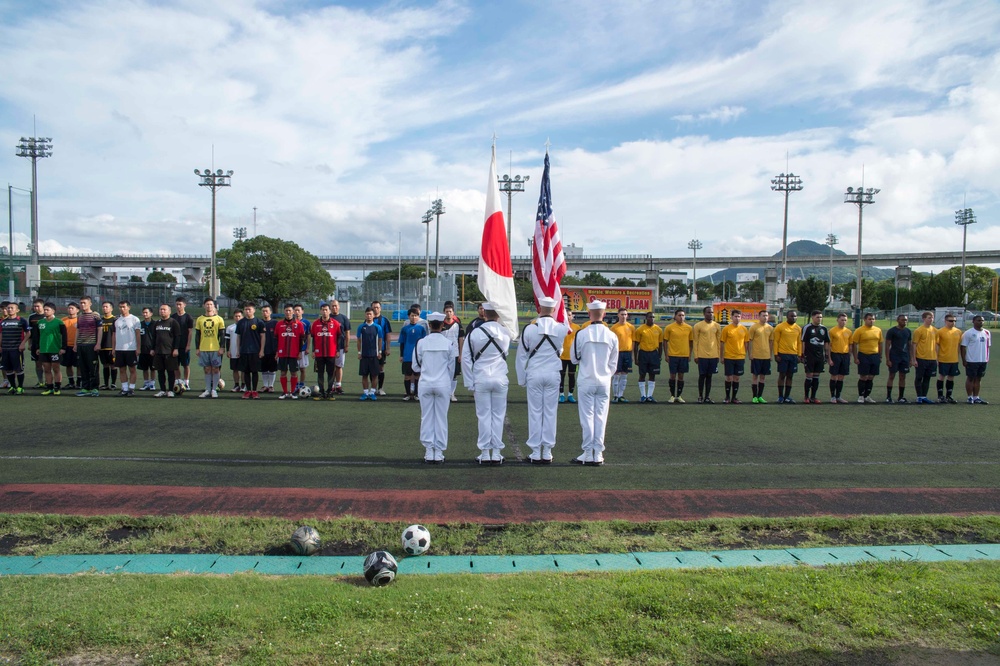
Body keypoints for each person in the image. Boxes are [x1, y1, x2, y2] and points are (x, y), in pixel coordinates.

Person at [516, 296, 569, 463]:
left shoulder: (530, 329)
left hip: (535, 373)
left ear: (539, 309)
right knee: (550, 412)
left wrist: (521, 378)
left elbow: (522, 356)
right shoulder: (561, 328)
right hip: (553, 373)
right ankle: (547, 450)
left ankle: (535, 450)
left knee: (535, 412)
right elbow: (560, 350)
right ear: (553, 310)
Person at [463, 302, 512, 464]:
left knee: (483, 416)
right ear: (498, 314)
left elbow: (466, 359)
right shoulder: (506, 332)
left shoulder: (475, 333)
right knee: (498, 416)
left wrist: (470, 382)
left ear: (485, 313)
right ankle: (496, 453)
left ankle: (484, 453)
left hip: (481, 378)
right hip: (499, 378)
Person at [570, 300, 618, 465]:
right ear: (604, 314)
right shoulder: (612, 335)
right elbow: (613, 363)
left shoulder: (581, 333)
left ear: (589, 314)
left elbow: (574, 359)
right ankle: (597, 453)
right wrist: (605, 375)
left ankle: (587, 452)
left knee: (587, 417)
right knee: (601, 417)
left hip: (586, 380)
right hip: (604, 381)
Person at [412, 312, 456, 463]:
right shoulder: (449, 343)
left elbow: (415, 366)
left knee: (427, 417)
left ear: (429, 325)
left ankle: (428, 450)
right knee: (441, 417)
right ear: (442, 325)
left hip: (425, 383)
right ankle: (439, 452)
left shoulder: (421, 343)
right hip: (443, 383)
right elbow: (452, 368)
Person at [194, 298, 226, 399]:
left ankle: (214, 390)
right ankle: (208, 389)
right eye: (207, 304)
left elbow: (222, 334)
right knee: (207, 369)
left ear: (214, 306)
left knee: (215, 369)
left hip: (215, 348)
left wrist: (222, 347)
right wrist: (197, 348)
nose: (209, 306)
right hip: (204, 348)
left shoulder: (219, 319)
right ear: (204, 306)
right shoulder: (200, 319)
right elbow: (197, 335)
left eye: (211, 304)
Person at [310, 303, 342, 400]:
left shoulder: (335, 323)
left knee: (330, 373)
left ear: (329, 311)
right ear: (320, 311)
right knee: (320, 373)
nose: (324, 311)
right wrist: (313, 351)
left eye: (326, 310)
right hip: (319, 353)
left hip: (331, 353)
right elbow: (313, 338)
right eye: (323, 310)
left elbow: (339, 337)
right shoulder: (315, 324)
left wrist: (337, 350)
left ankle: (329, 392)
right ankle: (321, 392)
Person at [275, 304, 307, 399]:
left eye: (290, 310)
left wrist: (300, 352)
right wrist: (277, 352)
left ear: (293, 312)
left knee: (294, 373)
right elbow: (276, 339)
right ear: (284, 312)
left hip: (294, 353)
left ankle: (292, 392)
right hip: (282, 353)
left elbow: (302, 340)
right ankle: (284, 392)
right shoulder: (279, 324)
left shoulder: (299, 324)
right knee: (283, 373)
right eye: (286, 310)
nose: (288, 312)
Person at [850, 312, 883, 403]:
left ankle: (867, 396)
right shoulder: (859, 330)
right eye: (869, 319)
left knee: (871, 377)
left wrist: (880, 356)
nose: (871, 321)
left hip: (875, 355)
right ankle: (861, 396)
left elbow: (880, 343)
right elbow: (854, 344)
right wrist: (856, 357)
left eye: (873, 319)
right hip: (864, 355)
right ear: (865, 320)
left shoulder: (878, 330)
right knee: (863, 376)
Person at [110, 300, 141, 396]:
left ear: (129, 307)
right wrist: (113, 348)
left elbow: (138, 335)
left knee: (132, 369)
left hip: (131, 349)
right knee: (122, 369)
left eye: (124, 307)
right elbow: (114, 335)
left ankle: (131, 389)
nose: (122, 309)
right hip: (119, 349)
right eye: (120, 307)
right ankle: (124, 388)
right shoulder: (116, 320)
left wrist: (138, 348)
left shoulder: (135, 319)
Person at [662, 309, 694, 403]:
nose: (681, 317)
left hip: (684, 355)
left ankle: (679, 396)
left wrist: (689, 354)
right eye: (679, 315)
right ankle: (672, 395)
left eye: (683, 315)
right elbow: (665, 341)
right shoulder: (669, 327)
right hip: (673, 355)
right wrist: (666, 354)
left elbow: (691, 342)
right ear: (675, 316)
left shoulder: (689, 328)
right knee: (672, 376)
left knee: (681, 376)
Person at [800, 310, 831, 404]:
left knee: (816, 376)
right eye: (818, 317)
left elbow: (826, 342)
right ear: (813, 317)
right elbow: (803, 342)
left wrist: (826, 355)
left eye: (821, 317)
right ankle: (806, 397)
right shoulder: (807, 328)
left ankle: (813, 397)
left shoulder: (824, 329)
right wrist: (802, 354)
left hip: (819, 356)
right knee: (809, 375)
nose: (819, 319)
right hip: (809, 356)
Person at [74, 296, 103, 397]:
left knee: (93, 368)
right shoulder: (80, 316)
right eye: (81, 303)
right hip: (81, 345)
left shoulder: (95, 315)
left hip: (91, 345)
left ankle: (94, 388)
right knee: (83, 367)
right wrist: (75, 344)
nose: (82, 305)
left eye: (84, 303)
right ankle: (85, 388)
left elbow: (100, 330)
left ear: (90, 303)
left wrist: (98, 343)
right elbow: (78, 330)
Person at [235, 302, 265, 399]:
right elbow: (238, 337)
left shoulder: (259, 322)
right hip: (244, 351)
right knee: (246, 371)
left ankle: (255, 391)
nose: (247, 311)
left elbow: (263, 337)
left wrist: (261, 350)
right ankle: (248, 390)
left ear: (254, 310)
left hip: (255, 351)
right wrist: (238, 350)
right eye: (246, 309)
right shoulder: (240, 322)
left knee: (255, 371)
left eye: (249, 309)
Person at [36, 302, 66, 396]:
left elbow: (64, 336)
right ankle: (49, 387)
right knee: (46, 369)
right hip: (44, 350)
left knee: (56, 369)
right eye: (44, 309)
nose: (45, 311)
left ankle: (57, 387)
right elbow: (37, 336)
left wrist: (63, 348)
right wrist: (37, 347)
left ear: (53, 311)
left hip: (55, 349)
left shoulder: (59, 322)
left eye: (47, 310)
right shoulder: (40, 322)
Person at [151, 303, 181, 397]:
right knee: (160, 372)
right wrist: (152, 349)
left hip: (170, 352)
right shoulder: (157, 323)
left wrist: (176, 349)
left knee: (170, 372)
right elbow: (154, 337)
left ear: (169, 311)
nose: (162, 311)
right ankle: (162, 390)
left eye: (164, 309)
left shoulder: (173, 322)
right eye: (161, 309)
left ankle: (171, 390)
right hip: (159, 352)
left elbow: (177, 337)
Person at [692, 306, 721, 403]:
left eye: (712, 312)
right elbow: (695, 341)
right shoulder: (698, 326)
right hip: (702, 355)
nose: (711, 314)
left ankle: (707, 397)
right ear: (704, 314)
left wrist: (718, 355)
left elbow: (718, 341)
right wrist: (696, 355)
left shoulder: (717, 326)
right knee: (702, 376)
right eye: (708, 312)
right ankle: (700, 396)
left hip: (713, 355)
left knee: (710, 376)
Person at [397, 307, 427, 401]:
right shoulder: (405, 329)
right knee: (407, 375)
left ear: (418, 317)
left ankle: (417, 394)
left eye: (415, 316)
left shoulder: (421, 329)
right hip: (407, 356)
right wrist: (401, 355)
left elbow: (424, 343)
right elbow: (402, 343)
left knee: (418, 375)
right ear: (408, 316)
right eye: (412, 316)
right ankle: (408, 394)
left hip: (418, 356)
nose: (414, 317)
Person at [633, 312, 663, 404]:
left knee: (652, 375)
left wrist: (659, 356)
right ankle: (643, 396)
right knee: (642, 375)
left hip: (654, 354)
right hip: (643, 354)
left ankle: (649, 396)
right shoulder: (640, 329)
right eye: (650, 317)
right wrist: (636, 358)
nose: (652, 319)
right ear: (646, 318)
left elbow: (660, 344)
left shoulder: (658, 329)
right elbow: (636, 345)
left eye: (653, 317)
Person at [719, 309, 747, 404]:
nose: (737, 318)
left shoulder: (744, 329)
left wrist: (744, 354)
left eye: (739, 316)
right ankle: (727, 397)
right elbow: (722, 343)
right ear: (731, 317)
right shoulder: (726, 329)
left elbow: (746, 343)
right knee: (729, 378)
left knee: (737, 378)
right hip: (729, 357)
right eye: (735, 316)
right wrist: (721, 356)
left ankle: (734, 397)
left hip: (740, 357)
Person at [772, 310, 801, 404]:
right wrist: (776, 354)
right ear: (787, 317)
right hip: (783, 354)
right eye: (792, 316)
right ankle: (780, 397)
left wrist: (799, 355)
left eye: (795, 316)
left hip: (793, 355)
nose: (794, 318)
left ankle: (787, 396)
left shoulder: (798, 328)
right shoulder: (780, 327)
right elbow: (775, 341)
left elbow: (799, 343)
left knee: (790, 376)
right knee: (782, 375)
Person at [961, 315, 990, 404]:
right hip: (972, 360)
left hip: (983, 360)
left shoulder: (987, 332)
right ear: (973, 321)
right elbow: (963, 347)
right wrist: (964, 360)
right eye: (978, 320)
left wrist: (987, 358)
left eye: (982, 320)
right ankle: (969, 397)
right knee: (970, 378)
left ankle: (976, 397)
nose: (981, 322)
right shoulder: (968, 333)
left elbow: (988, 346)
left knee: (978, 379)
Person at [1, 301, 29, 394]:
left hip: (16, 349)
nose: (9, 309)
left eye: (11, 308)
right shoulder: (3, 321)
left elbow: (28, 333)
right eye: (8, 308)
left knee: (18, 369)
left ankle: (20, 387)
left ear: (17, 310)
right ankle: (12, 387)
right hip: (5, 349)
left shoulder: (21, 320)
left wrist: (23, 343)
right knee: (8, 369)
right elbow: (1, 334)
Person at [910, 311, 938, 405]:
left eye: (932, 317)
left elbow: (936, 345)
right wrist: (914, 359)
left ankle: (924, 396)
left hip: (932, 358)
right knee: (919, 377)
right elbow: (914, 345)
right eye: (929, 317)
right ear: (924, 319)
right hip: (921, 358)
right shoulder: (919, 330)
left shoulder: (935, 330)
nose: (931, 319)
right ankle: (919, 396)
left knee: (927, 378)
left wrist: (937, 358)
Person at [356, 307, 383, 401]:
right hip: (364, 355)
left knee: (375, 375)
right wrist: (359, 352)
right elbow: (359, 341)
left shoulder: (377, 327)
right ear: (365, 315)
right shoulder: (361, 327)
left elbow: (380, 340)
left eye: (370, 314)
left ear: (373, 315)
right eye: (367, 314)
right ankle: (365, 393)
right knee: (364, 375)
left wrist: (379, 352)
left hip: (374, 355)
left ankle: (372, 392)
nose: (369, 316)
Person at [935, 313, 963, 404]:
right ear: (945, 321)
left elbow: (959, 346)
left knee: (951, 377)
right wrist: (937, 358)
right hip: (943, 358)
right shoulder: (940, 331)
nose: (953, 322)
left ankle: (949, 396)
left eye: (955, 321)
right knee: (942, 376)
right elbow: (937, 345)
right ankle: (940, 396)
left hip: (954, 359)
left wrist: (958, 357)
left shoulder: (958, 331)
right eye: (951, 321)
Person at [884, 314, 912, 403]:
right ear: (898, 320)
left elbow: (909, 345)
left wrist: (911, 358)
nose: (904, 321)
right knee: (892, 375)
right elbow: (887, 345)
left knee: (903, 376)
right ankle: (888, 397)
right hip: (894, 356)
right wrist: (888, 359)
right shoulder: (892, 331)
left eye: (906, 320)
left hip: (904, 357)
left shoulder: (908, 331)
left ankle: (901, 397)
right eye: (902, 320)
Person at [747, 309, 773, 404]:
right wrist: (750, 353)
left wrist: (770, 354)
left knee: (763, 377)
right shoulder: (754, 327)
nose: (765, 317)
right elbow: (750, 341)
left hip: (766, 356)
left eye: (766, 316)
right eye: (763, 315)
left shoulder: (770, 328)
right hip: (756, 356)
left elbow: (771, 342)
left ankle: (760, 396)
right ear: (759, 316)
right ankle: (754, 397)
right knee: (755, 376)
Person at [609, 308, 634, 403]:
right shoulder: (614, 328)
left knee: (624, 375)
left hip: (627, 353)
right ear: (618, 315)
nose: (624, 316)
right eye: (622, 314)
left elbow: (633, 342)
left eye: (625, 314)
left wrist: (632, 355)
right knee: (616, 375)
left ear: (627, 316)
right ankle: (615, 396)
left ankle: (621, 395)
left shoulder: (631, 327)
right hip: (617, 353)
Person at [441, 301, 464, 402]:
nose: (448, 313)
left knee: (454, 375)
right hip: (443, 353)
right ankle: (443, 393)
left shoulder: (457, 324)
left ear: (453, 312)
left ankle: (451, 393)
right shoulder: (441, 324)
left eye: (450, 311)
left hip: (455, 353)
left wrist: (461, 353)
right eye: (447, 311)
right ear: (444, 312)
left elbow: (460, 339)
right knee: (443, 373)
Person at [828, 313, 852, 404]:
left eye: (845, 320)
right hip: (835, 354)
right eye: (842, 320)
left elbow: (850, 345)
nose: (843, 322)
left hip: (845, 355)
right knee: (834, 375)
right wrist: (829, 358)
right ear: (837, 320)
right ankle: (832, 396)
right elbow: (828, 346)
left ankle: (838, 396)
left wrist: (849, 357)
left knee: (842, 376)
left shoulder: (849, 332)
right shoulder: (832, 331)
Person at [558, 310, 581, 404]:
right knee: (561, 376)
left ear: (572, 316)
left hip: (572, 357)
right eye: (566, 315)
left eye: (570, 315)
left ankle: (570, 394)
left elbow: (579, 342)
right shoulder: (559, 327)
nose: (568, 317)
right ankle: (561, 395)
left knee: (572, 375)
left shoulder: (577, 327)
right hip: (561, 356)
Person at [172, 297, 195, 390]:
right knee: (175, 365)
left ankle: (186, 382)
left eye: (180, 304)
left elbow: (190, 332)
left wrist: (188, 345)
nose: (178, 306)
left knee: (185, 365)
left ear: (184, 305)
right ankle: (178, 381)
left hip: (184, 345)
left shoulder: (188, 317)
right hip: (175, 346)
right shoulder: (173, 317)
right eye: (177, 304)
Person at [371, 300, 392, 396]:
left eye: (377, 307)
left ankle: (380, 388)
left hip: (381, 348)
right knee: (371, 368)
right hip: (370, 349)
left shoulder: (384, 320)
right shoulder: (368, 319)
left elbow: (387, 334)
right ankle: (373, 388)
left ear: (380, 308)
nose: (375, 309)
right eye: (374, 307)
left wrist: (388, 348)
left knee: (381, 368)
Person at [330, 300, 351, 395]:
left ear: (339, 307)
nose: (334, 308)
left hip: (340, 346)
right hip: (329, 347)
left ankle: (338, 385)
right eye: (332, 306)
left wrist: (347, 345)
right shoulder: (327, 317)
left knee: (339, 366)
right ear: (330, 307)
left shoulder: (344, 318)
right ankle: (330, 386)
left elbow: (347, 333)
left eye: (336, 306)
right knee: (330, 367)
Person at [98, 300, 118, 390]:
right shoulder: (100, 320)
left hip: (111, 346)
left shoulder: (115, 320)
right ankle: (106, 384)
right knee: (105, 365)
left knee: (113, 365)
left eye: (106, 307)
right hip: (102, 347)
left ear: (111, 308)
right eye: (103, 307)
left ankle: (113, 384)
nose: (104, 308)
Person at [259, 305, 278, 393]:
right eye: (263, 311)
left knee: (272, 369)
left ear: (270, 312)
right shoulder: (259, 323)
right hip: (262, 350)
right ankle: (265, 385)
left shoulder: (275, 323)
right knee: (264, 369)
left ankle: (271, 385)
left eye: (266, 311)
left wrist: (277, 350)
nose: (265, 313)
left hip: (273, 350)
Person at [61, 302, 80, 389]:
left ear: (77, 310)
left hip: (77, 346)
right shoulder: (63, 320)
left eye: (72, 308)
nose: (70, 309)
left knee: (79, 365)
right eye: (69, 308)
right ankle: (71, 382)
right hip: (66, 346)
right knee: (68, 365)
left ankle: (79, 383)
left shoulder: (80, 320)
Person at [27, 298, 45, 388]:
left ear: (43, 306)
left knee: (47, 364)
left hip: (46, 344)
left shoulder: (47, 316)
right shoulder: (31, 317)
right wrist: (29, 343)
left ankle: (49, 381)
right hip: (35, 344)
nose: (36, 308)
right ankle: (40, 381)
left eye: (38, 306)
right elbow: (29, 332)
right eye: (34, 306)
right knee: (37, 363)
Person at [225, 310, 244, 392]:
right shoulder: (230, 328)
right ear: (233, 317)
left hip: (243, 351)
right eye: (236, 316)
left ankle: (244, 385)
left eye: (239, 316)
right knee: (235, 369)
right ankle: (236, 385)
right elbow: (227, 340)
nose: (238, 318)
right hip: (233, 351)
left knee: (243, 369)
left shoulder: (245, 326)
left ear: (242, 317)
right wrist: (228, 350)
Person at [293, 304, 311, 392]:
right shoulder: (291, 322)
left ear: (302, 311)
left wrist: (307, 348)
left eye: (298, 310)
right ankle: (295, 385)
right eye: (295, 310)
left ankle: (302, 384)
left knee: (302, 368)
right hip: (293, 350)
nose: (297, 312)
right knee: (294, 369)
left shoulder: (306, 323)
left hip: (303, 349)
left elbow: (308, 336)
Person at [138, 307, 156, 390]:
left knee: (153, 368)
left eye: (146, 312)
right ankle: (146, 383)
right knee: (144, 368)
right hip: (143, 350)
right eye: (143, 312)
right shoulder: (140, 324)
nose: (145, 314)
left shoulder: (155, 324)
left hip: (152, 350)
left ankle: (152, 384)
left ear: (151, 313)